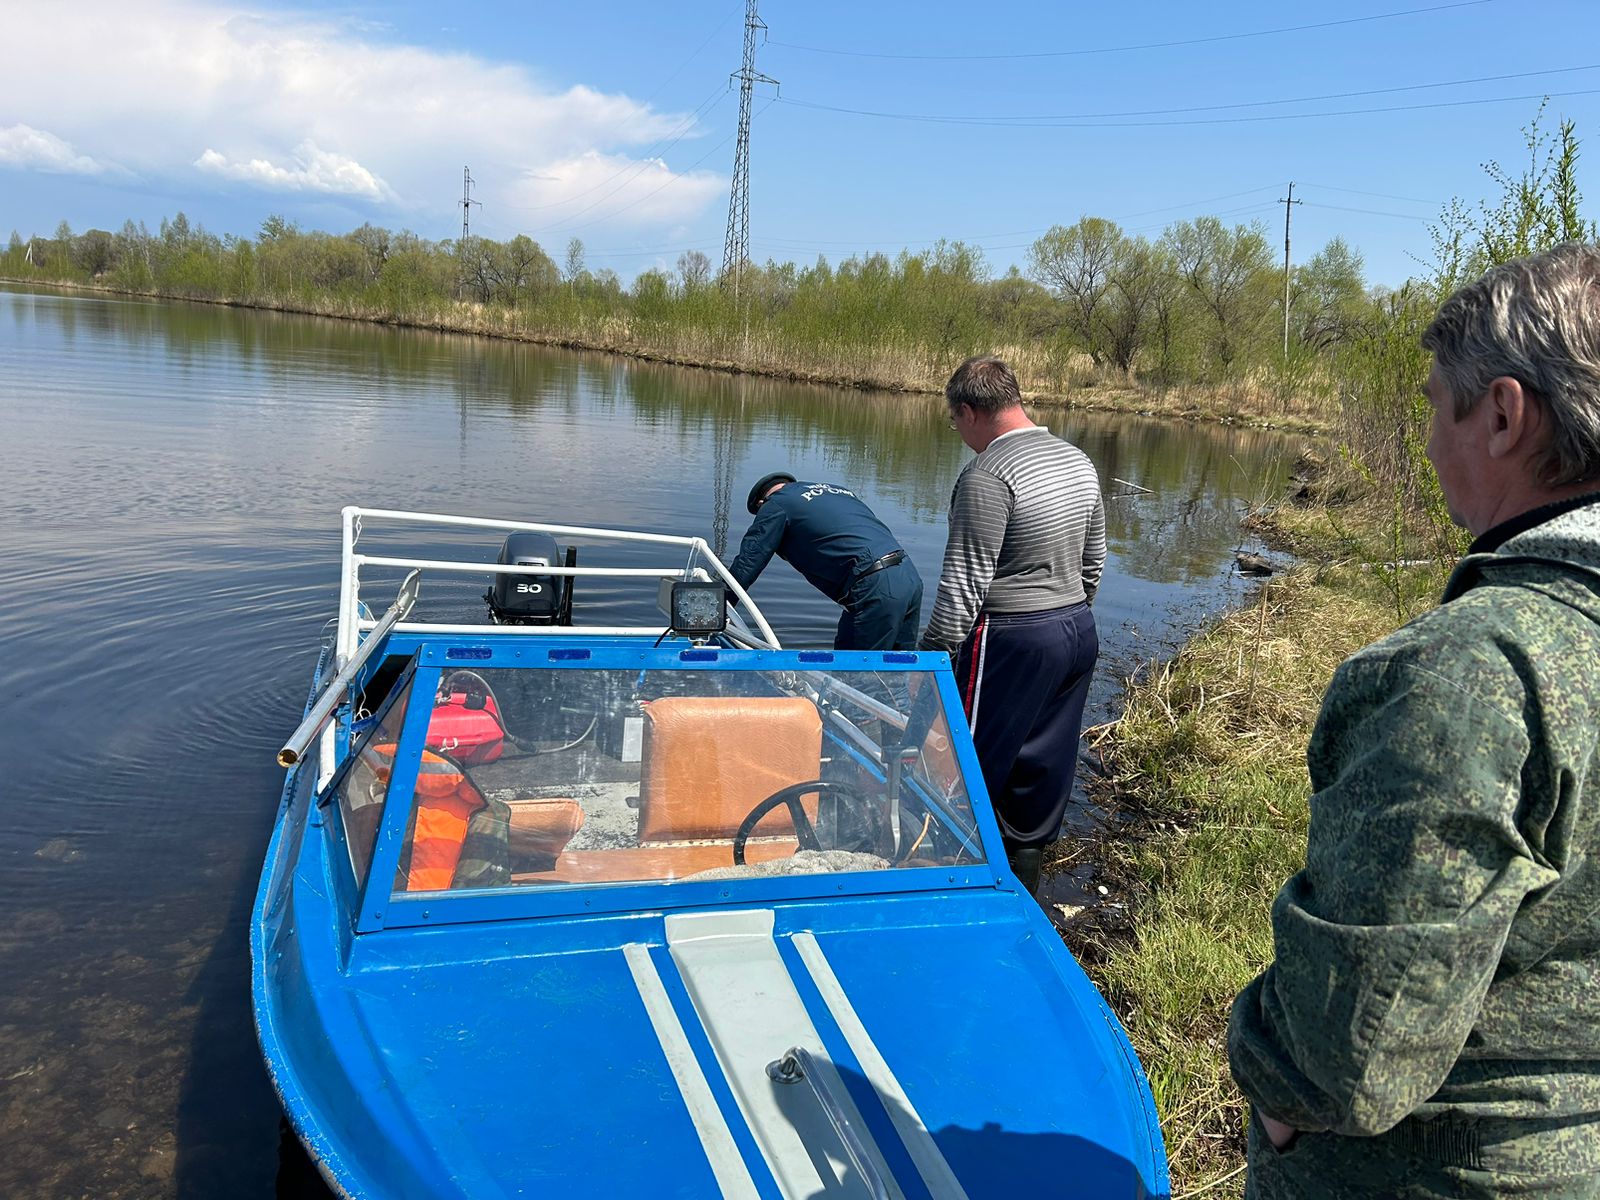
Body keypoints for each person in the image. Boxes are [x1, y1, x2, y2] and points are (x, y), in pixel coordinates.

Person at [1227, 242, 1600, 1199]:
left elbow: (1347, 1055)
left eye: (1437, 403)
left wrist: (1271, 1084)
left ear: (1505, 414)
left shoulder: (1474, 672)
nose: (1430, 437)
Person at [919, 355, 1106, 894]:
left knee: (965, 767)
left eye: (954, 423)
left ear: (971, 411)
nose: (958, 434)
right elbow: (1092, 563)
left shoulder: (988, 474)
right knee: (1040, 771)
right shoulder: (1076, 459)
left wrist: (928, 661)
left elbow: (963, 587)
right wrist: (1064, 619)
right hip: (1076, 629)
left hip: (1011, 636)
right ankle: (1024, 892)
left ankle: (955, 884)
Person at [728, 472, 924, 651]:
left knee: (852, 675)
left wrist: (719, 605)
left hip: (875, 586)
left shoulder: (776, 503)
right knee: (899, 670)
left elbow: (748, 562)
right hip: (908, 576)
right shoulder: (839, 492)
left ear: (762, 502)